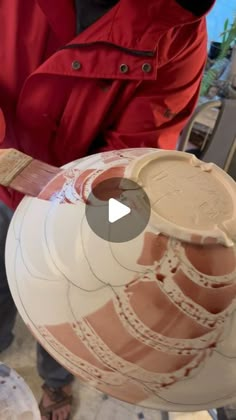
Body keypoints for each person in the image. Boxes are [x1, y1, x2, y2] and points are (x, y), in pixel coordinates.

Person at [0, 0, 215, 418]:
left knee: (72, 297)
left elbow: (133, 158)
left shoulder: (179, 30)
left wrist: (110, 238)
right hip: (4, 175)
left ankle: (57, 382)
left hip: (78, 209)